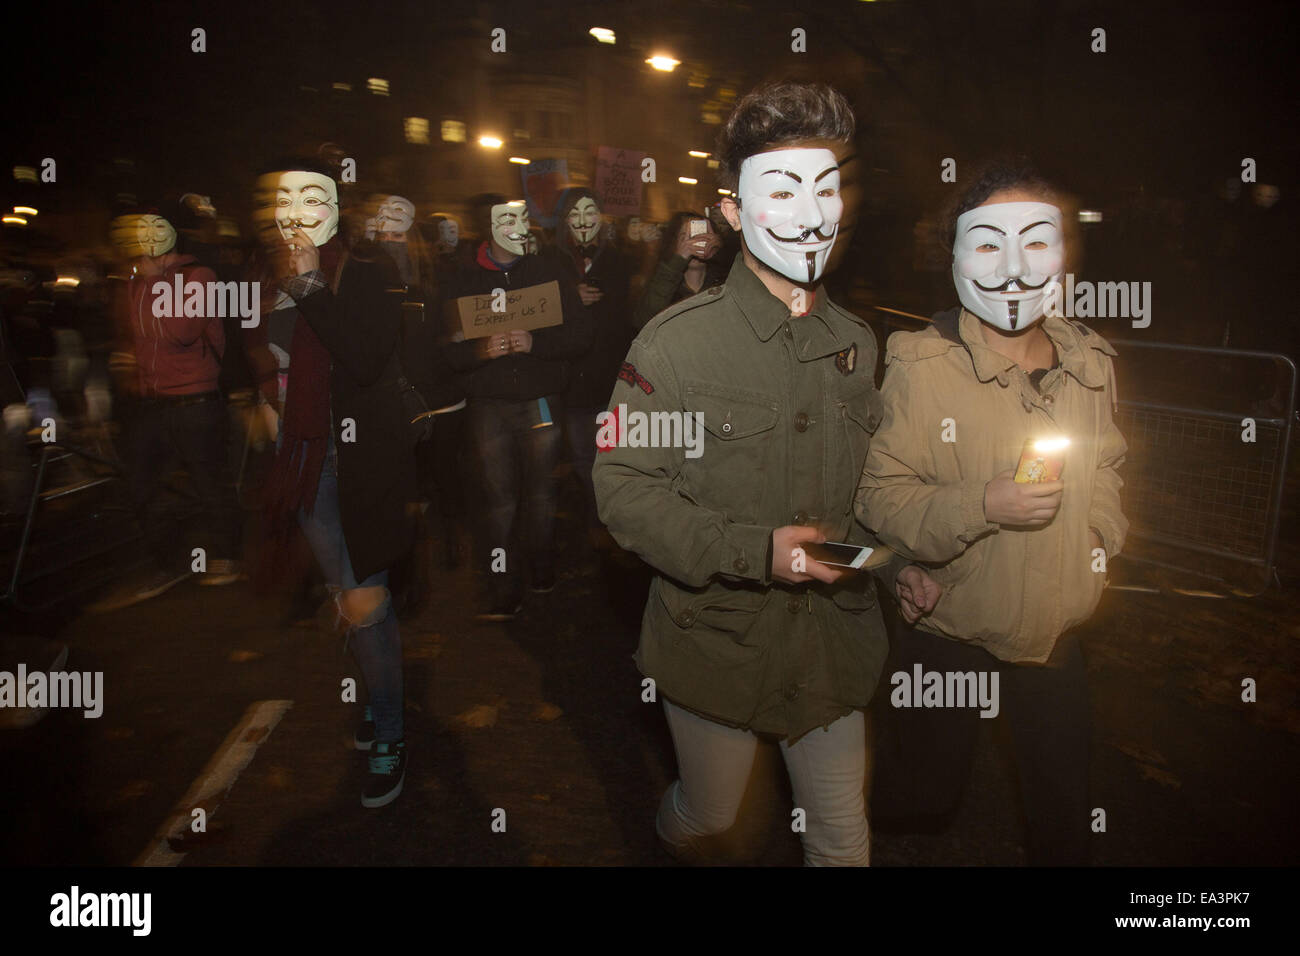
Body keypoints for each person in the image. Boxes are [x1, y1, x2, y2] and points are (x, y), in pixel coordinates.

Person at [593, 82, 942, 866]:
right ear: (731, 209)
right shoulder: (672, 346)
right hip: (716, 648)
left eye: (826, 191)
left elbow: (862, 504)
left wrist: (899, 570)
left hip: (830, 651)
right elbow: (623, 490)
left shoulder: (859, 345)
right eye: (781, 190)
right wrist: (756, 552)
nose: (811, 214)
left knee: (843, 836)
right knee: (712, 814)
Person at [857, 160, 1128, 865]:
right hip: (951, 628)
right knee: (919, 798)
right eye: (987, 243)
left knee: (1062, 811)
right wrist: (985, 503)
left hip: (1053, 631)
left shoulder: (1091, 361)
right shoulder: (921, 366)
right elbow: (881, 496)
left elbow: (1108, 466)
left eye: (1037, 241)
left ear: (1065, 254)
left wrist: (1098, 539)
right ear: (954, 256)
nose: (1013, 266)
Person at [248, 160, 418, 808]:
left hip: (358, 458)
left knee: (364, 600)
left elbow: (368, 357)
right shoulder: (264, 274)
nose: (295, 210)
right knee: (346, 598)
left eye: (311, 197)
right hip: (302, 459)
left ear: (336, 207)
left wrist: (312, 286)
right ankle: (381, 699)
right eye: (282, 198)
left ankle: (392, 732)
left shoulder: (367, 269)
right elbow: (261, 348)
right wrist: (263, 395)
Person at [442, 194, 588, 620]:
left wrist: (536, 344)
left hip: (541, 401)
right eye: (509, 219)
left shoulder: (550, 272)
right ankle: (502, 584)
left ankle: (541, 566)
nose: (521, 226)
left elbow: (581, 335)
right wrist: (478, 352)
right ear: (486, 227)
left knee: (542, 495)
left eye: (524, 217)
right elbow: (444, 351)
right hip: (490, 407)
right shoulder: (460, 279)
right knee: (498, 500)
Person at [95, 206, 242, 610]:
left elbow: (179, 331)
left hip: (196, 401)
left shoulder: (199, 277)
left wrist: (156, 280)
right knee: (140, 485)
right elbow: (132, 336)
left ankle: (228, 555)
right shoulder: (134, 281)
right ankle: (167, 563)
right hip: (152, 404)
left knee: (210, 483)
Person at [553, 188, 632, 549]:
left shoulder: (618, 259)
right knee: (583, 454)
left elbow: (630, 313)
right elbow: (539, 309)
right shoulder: (549, 260)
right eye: (575, 213)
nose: (583, 221)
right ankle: (596, 513)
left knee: (613, 452)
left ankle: (615, 517)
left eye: (590, 212)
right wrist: (571, 298)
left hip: (610, 375)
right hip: (571, 378)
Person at [630, 210, 728, 330]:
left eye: (702, 235)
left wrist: (720, 252)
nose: (694, 243)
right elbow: (644, 320)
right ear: (674, 244)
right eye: (685, 238)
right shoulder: (662, 283)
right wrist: (678, 260)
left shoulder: (725, 283)